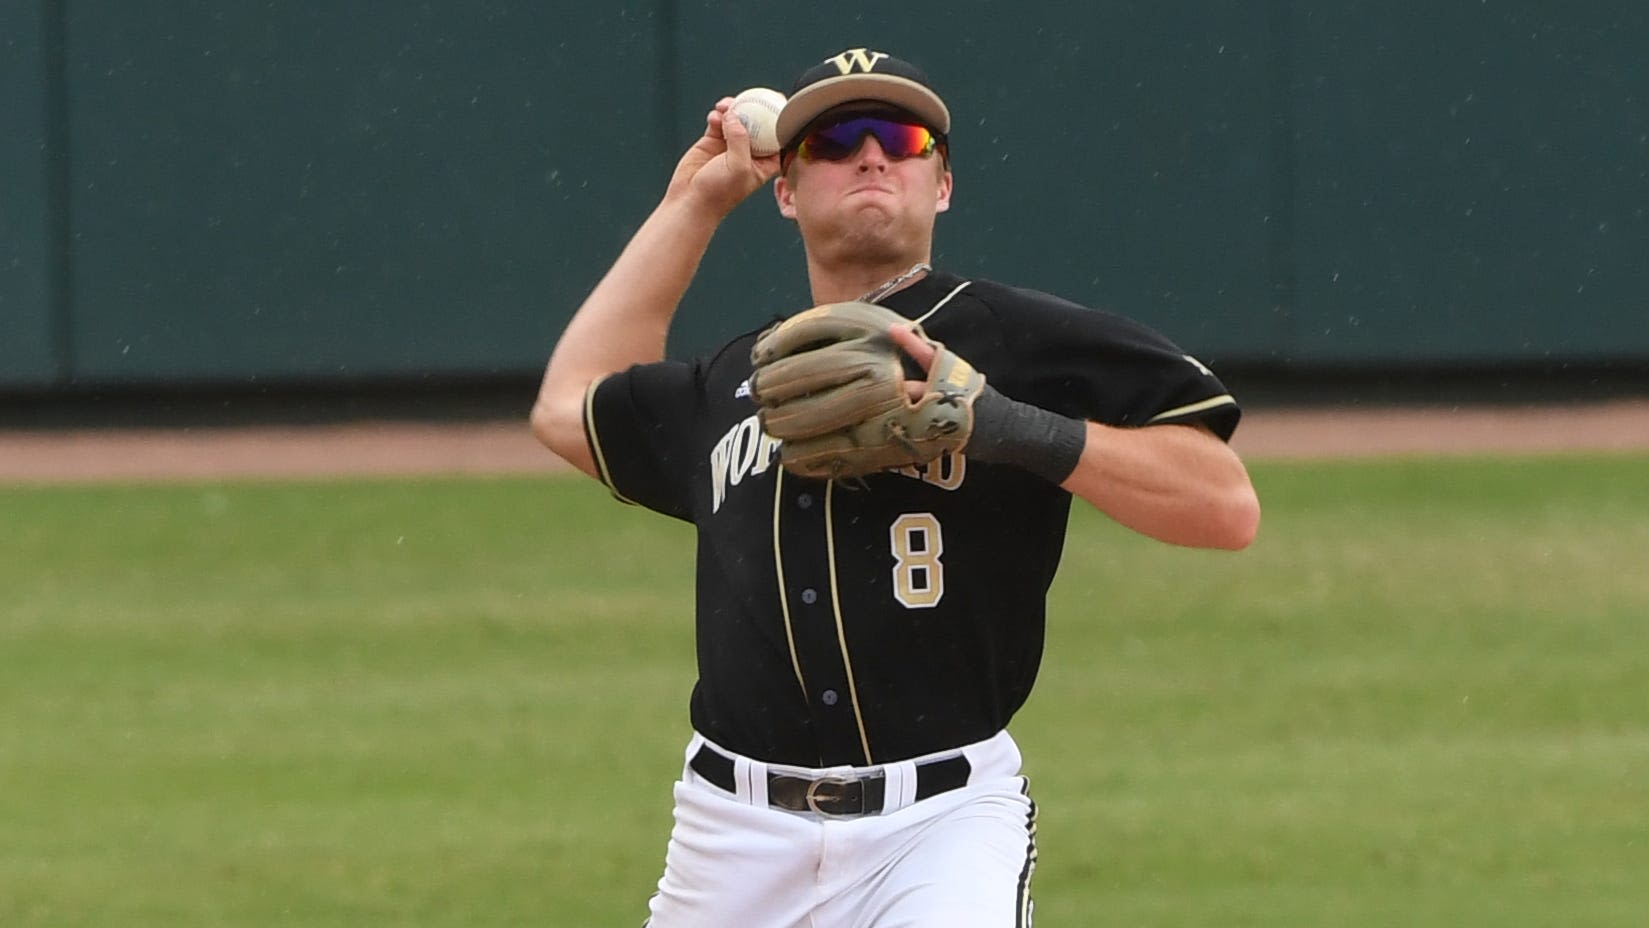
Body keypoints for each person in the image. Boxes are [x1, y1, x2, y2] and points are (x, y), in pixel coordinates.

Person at [531, 46, 1260, 928]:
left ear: (941, 184)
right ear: (786, 191)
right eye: (834, 141)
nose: (870, 155)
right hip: (729, 837)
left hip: (940, 825)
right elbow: (568, 406)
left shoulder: (1022, 343)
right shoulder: (738, 380)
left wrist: (1007, 424)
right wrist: (696, 201)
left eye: (901, 137)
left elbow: (1224, 507)